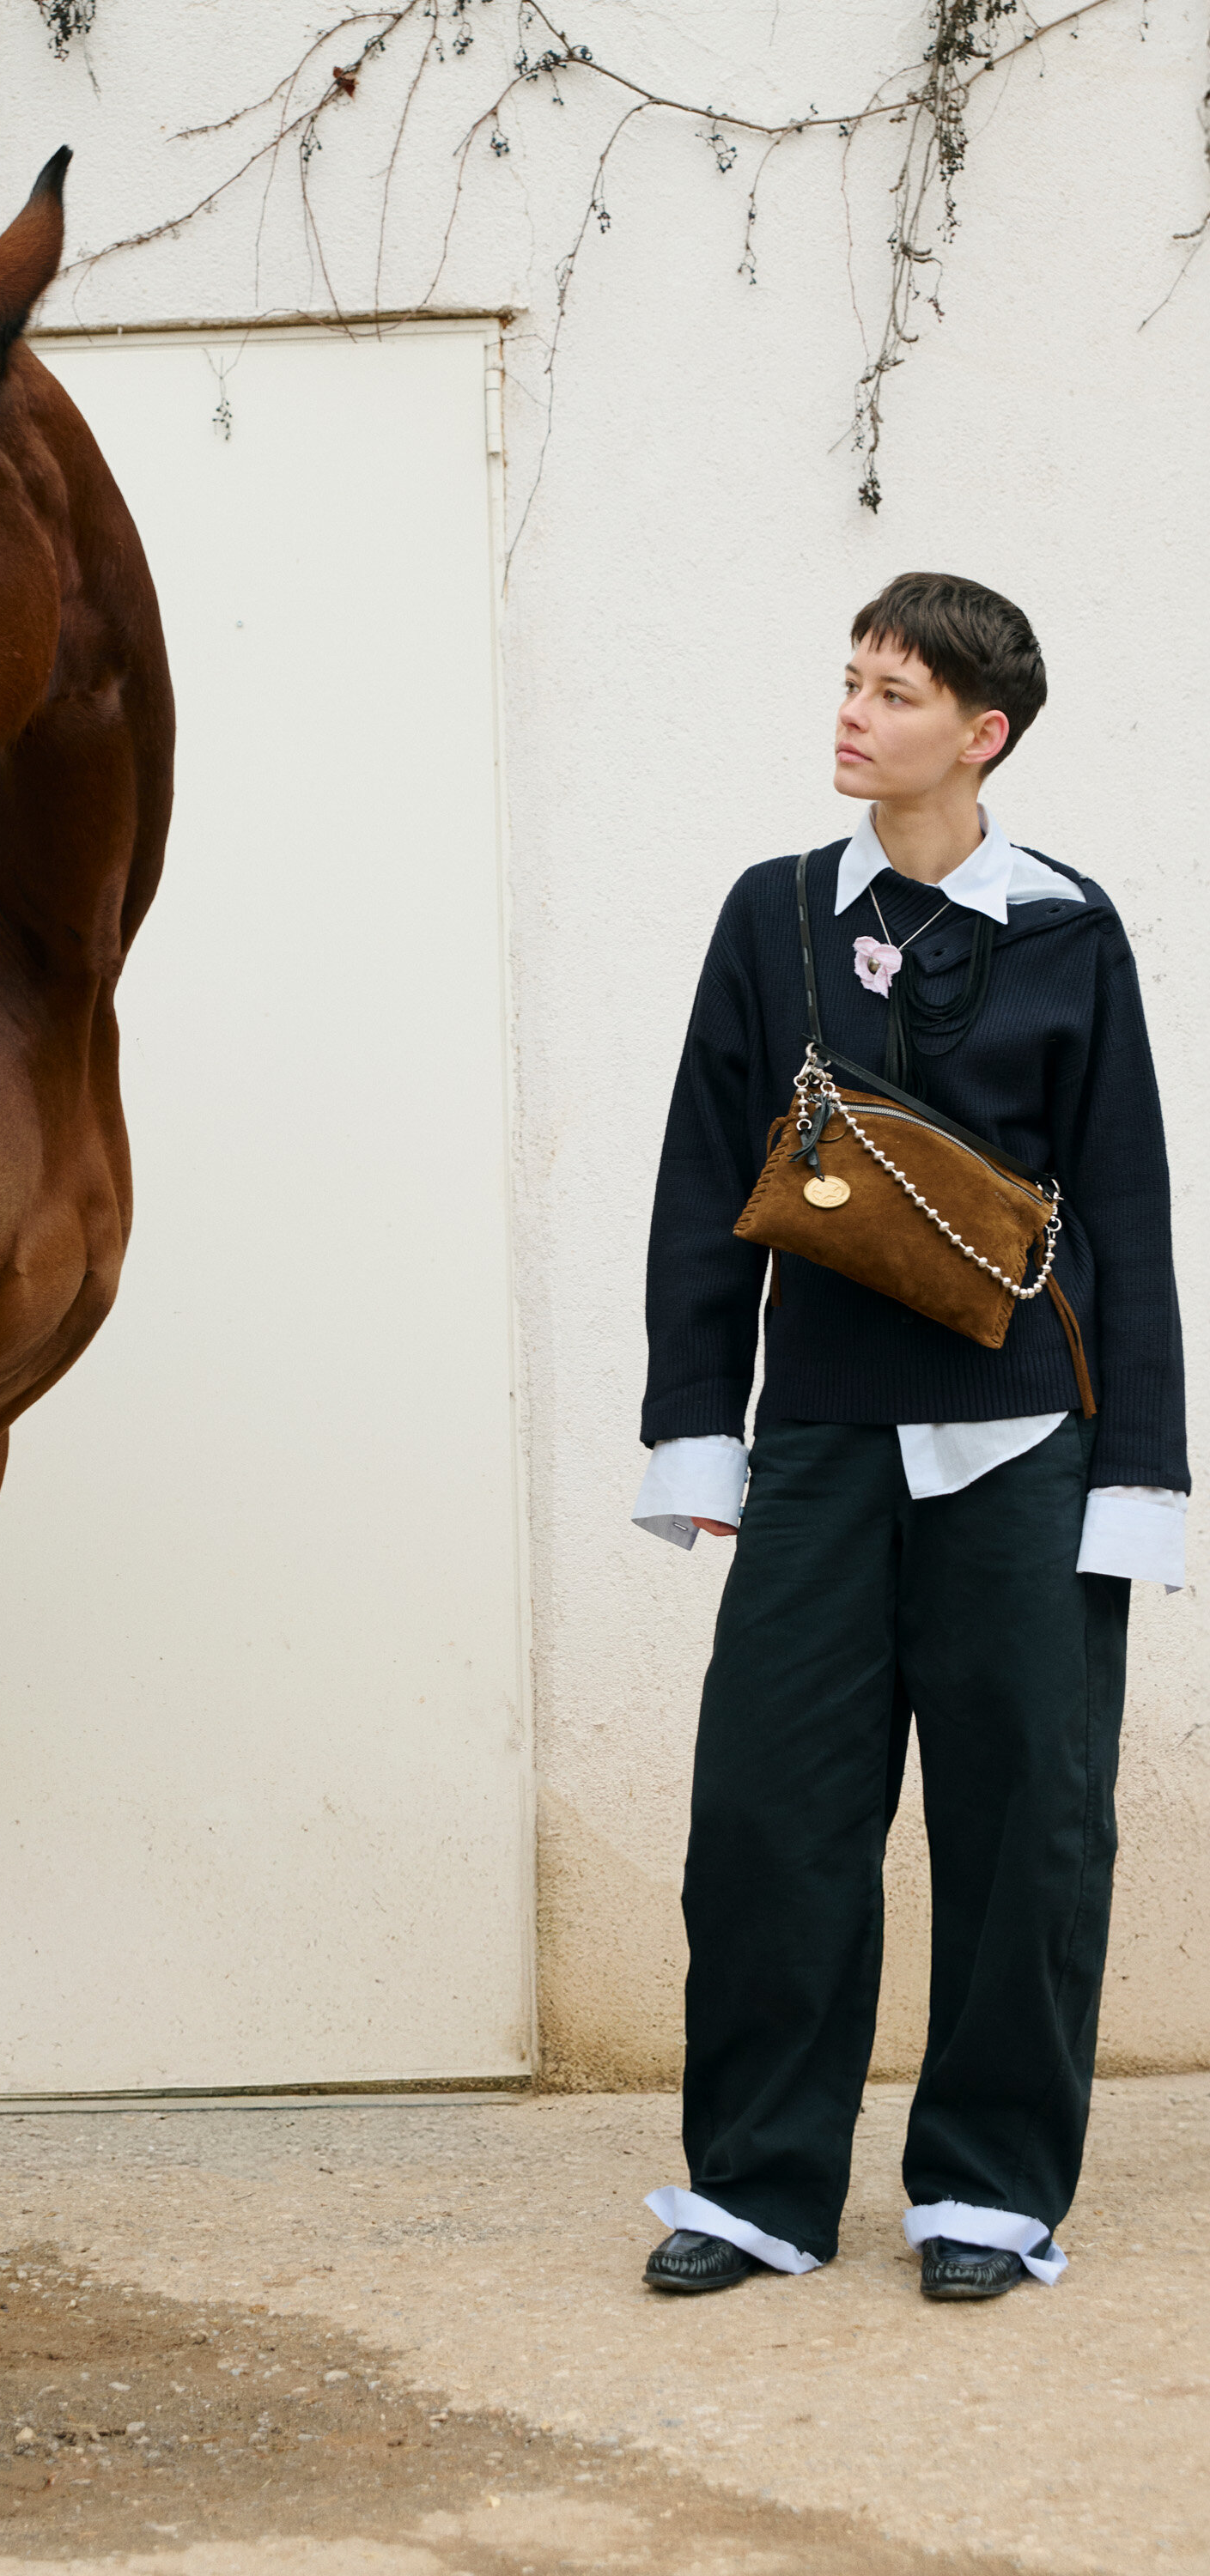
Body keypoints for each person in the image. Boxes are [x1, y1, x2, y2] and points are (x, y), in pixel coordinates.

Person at [630, 571, 1188, 2302]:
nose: (852, 712)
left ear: (981, 731)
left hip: (1025, 1447)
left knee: (1029, 1826)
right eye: (849, 679)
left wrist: (1141, 1474)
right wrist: (690, 1431)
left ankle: (985, 2194)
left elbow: (1123, 1211)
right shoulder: (772, 913)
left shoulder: (1067, 930)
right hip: (815, 1443)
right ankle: (758, 2190)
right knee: (766, 1819)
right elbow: (694, 1191)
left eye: (893, 691)